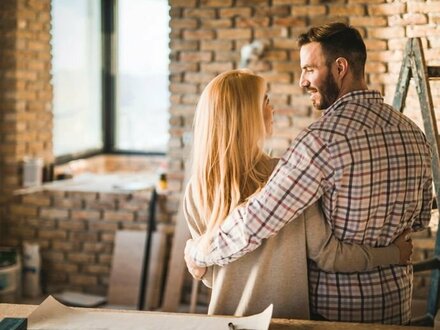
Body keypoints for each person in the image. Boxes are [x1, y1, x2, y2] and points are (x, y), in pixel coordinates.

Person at [185, 23, 433, 325]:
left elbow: (255, 222)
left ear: (340, 67)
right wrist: (392, 252)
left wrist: (198, 252)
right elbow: (420, 219)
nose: (302, 81)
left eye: (309, 69)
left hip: (336, 314)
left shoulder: (319, 142)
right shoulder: (413, 133)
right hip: (395, 306)